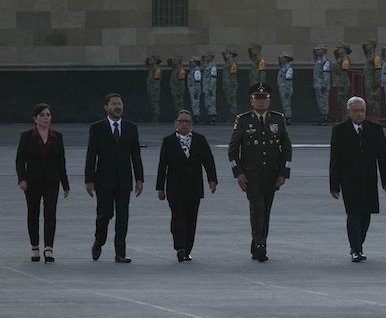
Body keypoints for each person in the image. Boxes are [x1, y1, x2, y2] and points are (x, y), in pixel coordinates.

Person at [228, 83, 292, 262]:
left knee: (266, 210)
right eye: (258, 98)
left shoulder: (278, 119)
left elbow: (286, 148)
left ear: (269, 101)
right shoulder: (243, 120)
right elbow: (233, 150)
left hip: (271, 174)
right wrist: (238, 172)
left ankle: (259, 241)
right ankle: (260, 244)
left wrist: (283, 173)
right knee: (257, 208)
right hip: (251, 175)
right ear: (251, 101)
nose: (261, 102)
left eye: (264, 99)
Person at [330, 97, 386, 262]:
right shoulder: (339, 130)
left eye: (362, 111)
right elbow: (335, 159)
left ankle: (359, 244)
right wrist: (334, 185)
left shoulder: (375, 130)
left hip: (369, 179)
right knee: (354, 214)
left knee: (366, 215)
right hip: (349, 180)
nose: (359, 114)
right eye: (355, 111)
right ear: (348, 112)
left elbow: (383, 157)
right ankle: (355, 249)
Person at [85, 93, 144, 263]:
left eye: (120, 104)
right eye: (114, 104)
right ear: (106, 107)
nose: (118, 107)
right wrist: (88, 179)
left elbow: (136, 156)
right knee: (105, 214)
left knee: (123, 216)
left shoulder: (131, 128)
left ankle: (120, 252)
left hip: (124, 180)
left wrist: (139, 179)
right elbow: (91, 155)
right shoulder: (97, 128)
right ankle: (99, 241)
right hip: (103, 180)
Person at [156, 110, 217, 262]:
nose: (184, 124)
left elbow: (208, 161)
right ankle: (180, 247)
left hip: (194, 187)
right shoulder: (168, 141)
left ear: (191, 124)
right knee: (178, 217)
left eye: (187, 121)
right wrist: (160, 188)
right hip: (174, 187)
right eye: (181, 121)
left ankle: (187, 248)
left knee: (191, 219)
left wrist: (212, 180)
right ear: (176, 123)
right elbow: (162, 165)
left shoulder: (200, 139)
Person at [15, 103, 70, 263]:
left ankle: (49, 248)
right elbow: (20, 159)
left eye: (48, 115)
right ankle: (34, 247)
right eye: (42, 115)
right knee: (33, 213)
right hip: (32, 181)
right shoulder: (27, 136)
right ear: (35, 118)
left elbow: (61, 161)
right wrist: (22, 179)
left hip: (52, 181)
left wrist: (65, 184)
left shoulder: (57, 137)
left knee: (50, 212)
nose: (46, 118)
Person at [362, 40, 382, 120]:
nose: (366, 46)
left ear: (373, 45)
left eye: (368, 44)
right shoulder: (369, 56)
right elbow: (364, 49)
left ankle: (375, 119)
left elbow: (378, 70)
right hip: (368, 83)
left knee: (373, 102)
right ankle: (372, 118)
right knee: (369, 101)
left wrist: (378, 84)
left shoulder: (375, 57)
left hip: (373, 83)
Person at [312, 44, 332, 125]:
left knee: (324, 101)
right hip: (317, 84)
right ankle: (322, 116)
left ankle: (325, 117)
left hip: (323, 85)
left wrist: (324, 84)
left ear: (323, 50)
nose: (317, 51)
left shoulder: (326, 61)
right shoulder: (318, 60)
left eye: (318, 50)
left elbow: (326, 74)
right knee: (320, 101)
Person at [332, 43, 352, 121]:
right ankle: (344, 117)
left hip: (343, 83)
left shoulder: (345, 58)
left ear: (344, 49)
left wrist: (342, 85)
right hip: (339, 82)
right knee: (340, 101)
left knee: (342, 101)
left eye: (340, 48)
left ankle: (346, 117)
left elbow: (344, 72)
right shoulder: (340, 58)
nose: (338, 50)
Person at [221, 49, 239, 123]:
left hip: (231, 85)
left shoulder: (232, 63)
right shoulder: (228, 63)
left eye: (226, 54)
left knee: (232, 101)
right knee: (229, 101)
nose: (225, 55)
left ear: (231, 54)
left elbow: (233, 75)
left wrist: (231, 85)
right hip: (227, 85)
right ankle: (231, 116)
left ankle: (233, 116)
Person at [277, 51, 294, 124]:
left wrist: (287, 90)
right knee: (285, 103)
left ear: (286, 59)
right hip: (282, 88)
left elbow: (288, 80)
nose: (280, 59)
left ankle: (288, 118)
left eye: (282, 58)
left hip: (286, 89)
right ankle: (286, 117)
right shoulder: (283, 67)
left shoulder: (288, 68)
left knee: (286, 104)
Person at [202, 50, 218, 125]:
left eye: (207, 56)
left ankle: (212, 118)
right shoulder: (207, 65)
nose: (206, 58)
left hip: (210, 88)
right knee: (207, 103)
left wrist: (211, 88)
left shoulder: (213, 66)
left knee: (211, 102)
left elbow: (213, 78)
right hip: (206, 87)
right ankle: (209, 116)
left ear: (211, 57)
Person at [145, 54, 162, 123]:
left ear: (155, 61)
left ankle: (156, 118)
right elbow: (146, 64)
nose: (149, 61)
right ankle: (154, 117)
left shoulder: (157, 69)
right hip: (150, 89)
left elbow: (157, 81)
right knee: (152, 104)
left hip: (154, 90)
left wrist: (154, 90)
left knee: (155, 104)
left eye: (151, 59)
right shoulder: (151, 68)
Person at [187, 56, 203, 123]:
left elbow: (197, 82)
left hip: (195, 90)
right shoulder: (192, 70)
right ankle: (195, 116)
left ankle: (196, 117)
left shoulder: (196, 71)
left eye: (192, 62)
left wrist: (196, 90)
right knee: (194, 103)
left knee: (195, 103)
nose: (190, 63)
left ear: (196, 63)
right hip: (192, 90)